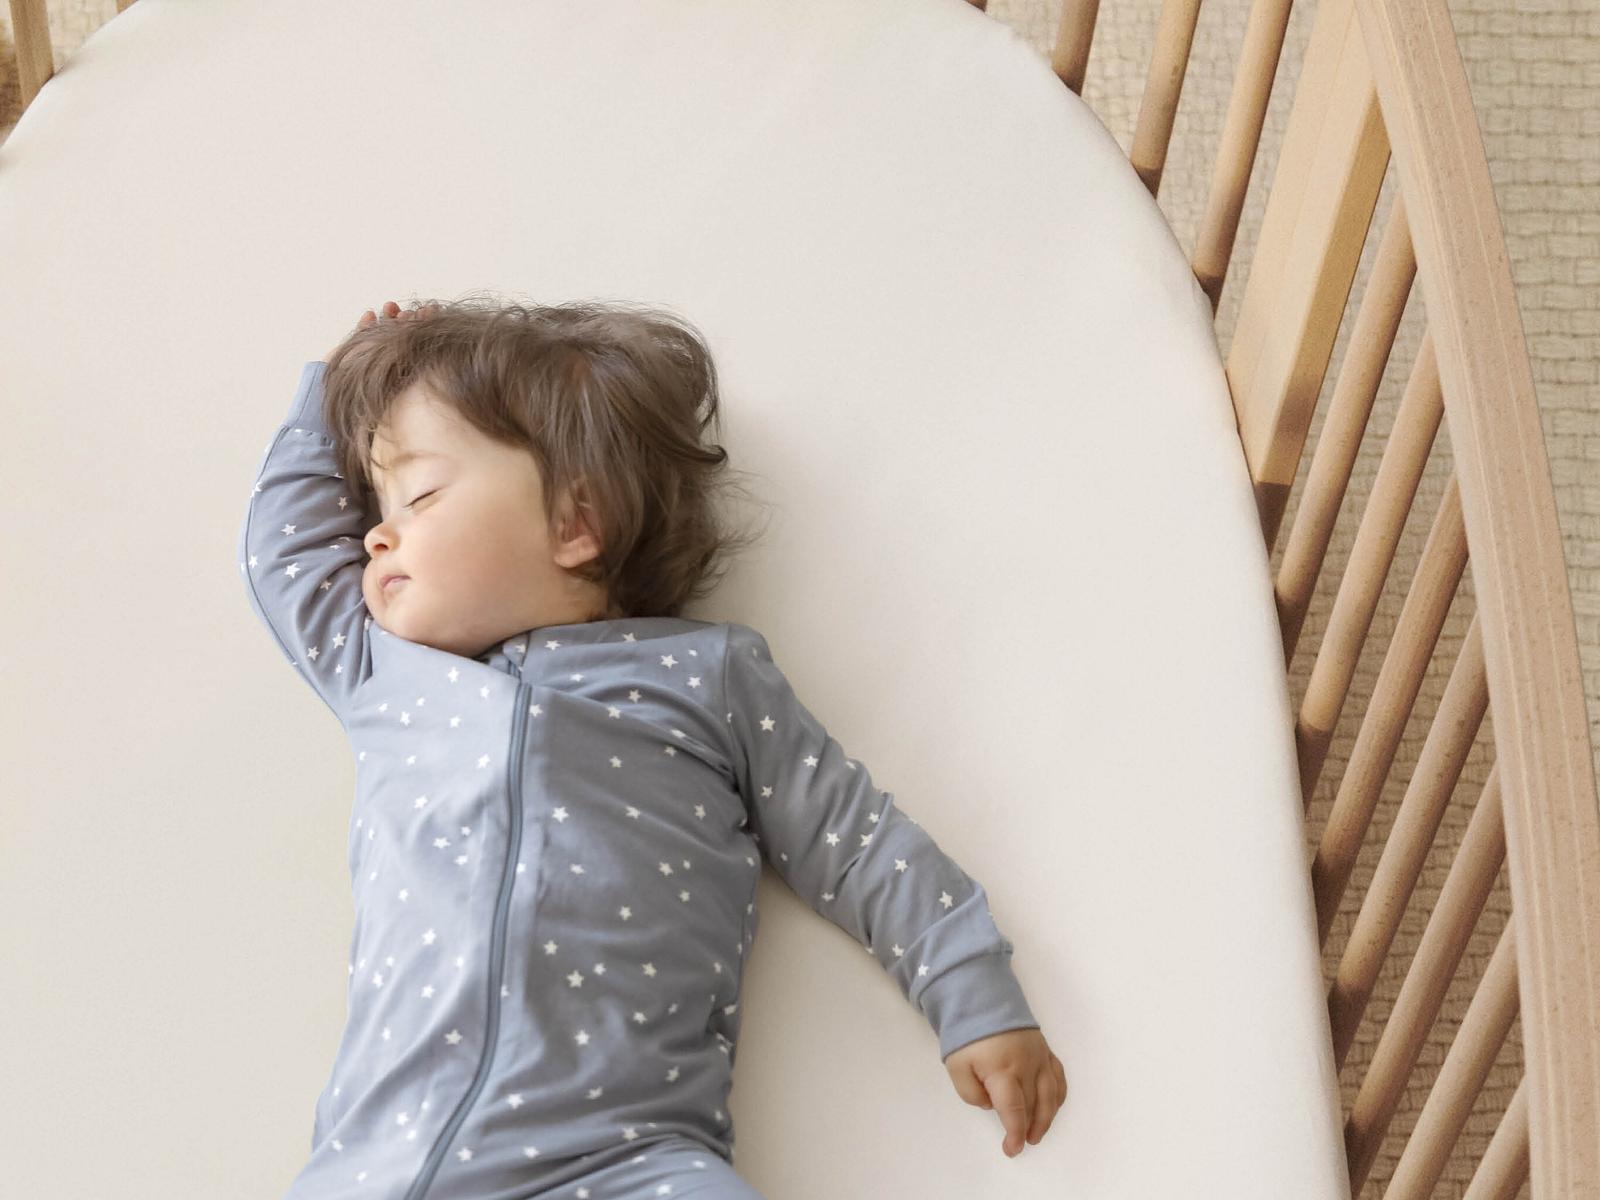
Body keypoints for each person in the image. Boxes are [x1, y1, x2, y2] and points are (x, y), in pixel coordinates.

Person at [237, 295, 1066, 1199]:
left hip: (626, 1155)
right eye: (376, 507)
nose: (375, 533)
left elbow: (856, 840)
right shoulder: (385, 674)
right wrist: (329, 391)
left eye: (421, 496)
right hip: (389, 1159)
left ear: (574, 525)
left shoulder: (708, 676)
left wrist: (967, 986)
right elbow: (284, 556)